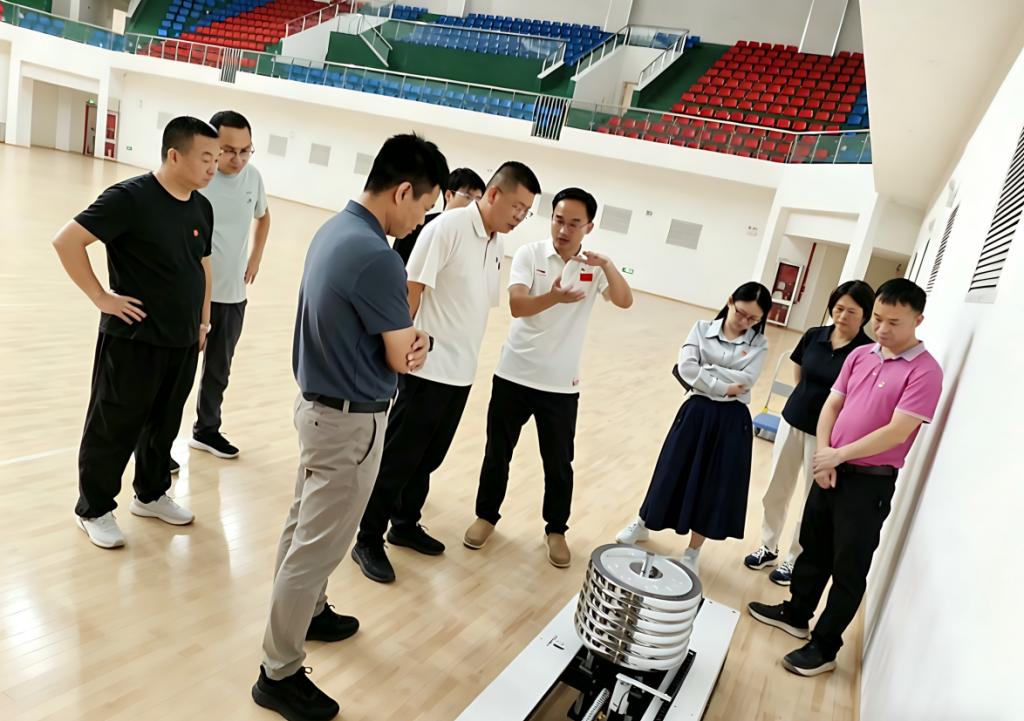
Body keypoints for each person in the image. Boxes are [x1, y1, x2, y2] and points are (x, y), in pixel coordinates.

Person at [252, 133, 443, 721]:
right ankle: (279, 671)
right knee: (316, 549)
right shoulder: (378, 257)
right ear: (403, 191)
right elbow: (401, 354)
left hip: (319, 409)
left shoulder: (335, 229)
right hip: (348, 423)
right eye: (424, 205)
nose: (421, 220)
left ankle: (310, 614)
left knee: (302, 528)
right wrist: (421, 340)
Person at [350, 161, 541, 584]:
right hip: (426, 370)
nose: (519, 217)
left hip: (460, 372)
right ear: (494, 194)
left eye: (527, 212)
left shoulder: (496, 243)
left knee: (429, 458)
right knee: (398, 460)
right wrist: (400, 352)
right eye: (517, 207)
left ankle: (404, 523)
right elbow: (411, 289)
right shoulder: (447, 228)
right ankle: (367, 538)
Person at [748, 278, 943, 677]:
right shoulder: (860, 355)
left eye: (894, 322)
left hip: (869, 481)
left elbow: (897, 431)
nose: (882, 329)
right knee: (813, 547)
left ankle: (825, 647)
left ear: (918, 320)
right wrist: (825, 456)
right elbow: (832, 405)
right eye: (878, 319)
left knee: (848, 566)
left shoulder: (926, 372)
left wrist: (838, 455)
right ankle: (797, 613)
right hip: (831, 467)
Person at [53, 116, 218, 549]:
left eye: (217, 158)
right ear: (174, 155)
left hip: (183, 339)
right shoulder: (129, 198)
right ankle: (93, 509)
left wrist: (203, 322)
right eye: (206, 157)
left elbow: (203, 265)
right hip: (133, 340)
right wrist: (101, 297)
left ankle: (150, 495)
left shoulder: (202, 207)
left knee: (165, 423)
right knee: (114, 425)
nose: (213, 167)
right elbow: (66, 241)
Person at [463, 187, 634, 568]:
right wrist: (554, 297)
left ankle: (556, 530)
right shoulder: (530, 254)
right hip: (513, 374)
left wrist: (608, 265)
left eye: (574, 223)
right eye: (558, 220)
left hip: (560, 385)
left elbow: (624, 300)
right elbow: (517, 305)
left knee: (558, 464)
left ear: (589, 227)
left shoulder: (593, 267)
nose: (563, 230)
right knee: (497, 453)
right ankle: (486, 516)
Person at [616, 282, 773, 576]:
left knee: (713, 484)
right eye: (741, 313)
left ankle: (693, 551)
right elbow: (686, 368)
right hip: (696, 412)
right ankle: (643, 524)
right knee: (670, 470)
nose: (745, 322)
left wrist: (706, 371)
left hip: (731, 420)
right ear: (730, 301)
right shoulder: (701, 329)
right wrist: (723, 384)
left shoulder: (759, 344)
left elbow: (746, 380)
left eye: (754, 319)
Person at [743, 280, 875, 585]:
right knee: (776, 487)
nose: (842, 316)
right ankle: (768, 546)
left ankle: (795, 559)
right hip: (792, 421)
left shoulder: (866, 352)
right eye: (838, 308)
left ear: (865, 315)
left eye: (851, 311)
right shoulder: (814, 335)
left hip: (826, 436)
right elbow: (800, 371)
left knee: (810, 500)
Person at [184, 110, 271, 462]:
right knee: (176, 374)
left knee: (219, 371)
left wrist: (256, 256)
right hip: (192, 296)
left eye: (245, 150)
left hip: (233, 295)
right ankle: (156, 444)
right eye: (229, 150)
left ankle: (206, 430)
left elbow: (264, 216)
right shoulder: (198, 179)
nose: (238, 159)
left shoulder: (253, 178)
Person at [392, 166, 485, 265]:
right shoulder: (417, 226)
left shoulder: (474, 237)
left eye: (478, 200)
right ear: (448, 195)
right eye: (468, 197)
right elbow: (396, 263)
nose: (473, 205)